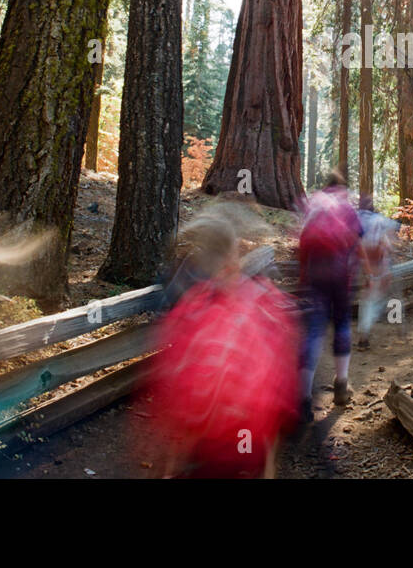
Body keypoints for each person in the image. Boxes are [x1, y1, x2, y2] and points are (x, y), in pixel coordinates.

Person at [141, 212, 300, 478]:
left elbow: (178, 395)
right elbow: (270, 386)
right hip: (245, 441)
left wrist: (170, 465)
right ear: (232, 263)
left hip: (201, 452)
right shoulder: (258, 306)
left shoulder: (189, 313)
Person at [297, 170, 362, 413]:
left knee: (313, 331)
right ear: (343, 188)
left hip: (315, 276)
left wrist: (304, 276)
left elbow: (303, 242)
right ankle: (342, 385)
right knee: (342, 325)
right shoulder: (347, 208)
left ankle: (304, 397)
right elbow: (356, 242)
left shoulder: (315, 205)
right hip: (340, 276)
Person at [355, 195, 398, 351]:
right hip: (376, 261)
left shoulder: (356, 218)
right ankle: (366, 329)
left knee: (367, 297)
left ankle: (364, 331)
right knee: (375, 296)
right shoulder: (379, 220)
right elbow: (385, 242)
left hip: (359, 262)